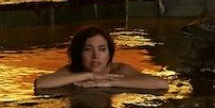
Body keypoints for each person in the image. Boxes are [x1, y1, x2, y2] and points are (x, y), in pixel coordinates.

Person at [34, 26, 169, 93]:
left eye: (102, 49)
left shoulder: (119, 70)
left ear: (109, 53)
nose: (95, 56)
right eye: (88, 49)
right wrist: (90, 75)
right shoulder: (72, 71)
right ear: (78, 52)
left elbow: (161, 84)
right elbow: (41, 84)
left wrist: (109, 83)